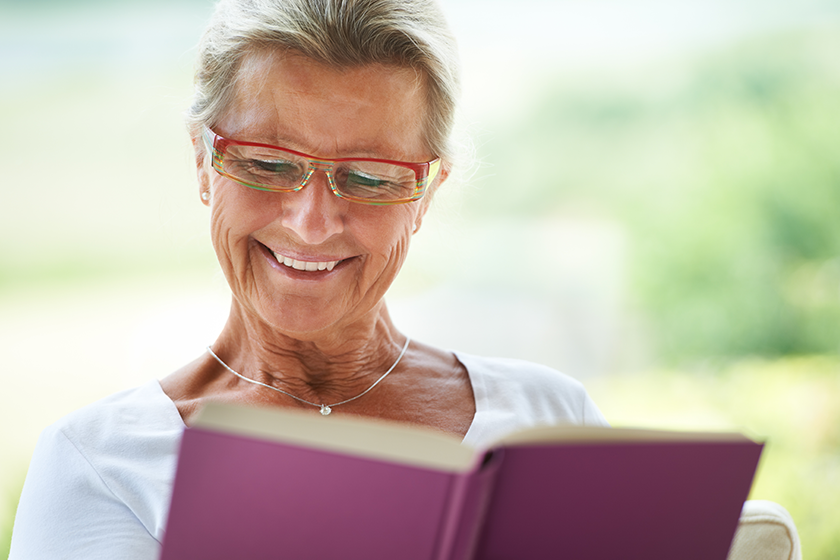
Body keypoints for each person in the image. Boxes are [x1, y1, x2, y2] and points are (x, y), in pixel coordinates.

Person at [9, 0, 607, 557]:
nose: (312, 224)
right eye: (267, 163)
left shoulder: (552, 423)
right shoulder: (98, 464)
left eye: (371, 177)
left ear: (427, 193)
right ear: (202, 160)